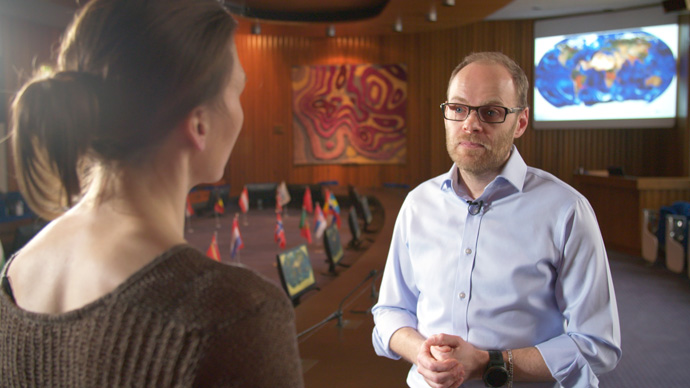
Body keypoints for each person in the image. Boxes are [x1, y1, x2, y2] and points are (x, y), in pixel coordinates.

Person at [0, 0, 304, 386]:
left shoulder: (16, 272)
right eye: (238, 91)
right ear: (199, 124)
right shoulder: (235, 314)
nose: (240, 110)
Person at [372, 52, 621, 388]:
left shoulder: (567, 210)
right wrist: (422, 354)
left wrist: (489, 363)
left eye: (490, 112)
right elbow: (390, 311)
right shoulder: (418, 203)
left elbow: (597, 344)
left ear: (520, 122)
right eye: (458, 108)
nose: (470, 124)